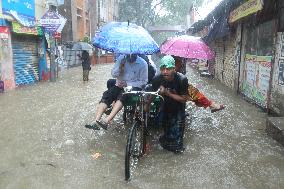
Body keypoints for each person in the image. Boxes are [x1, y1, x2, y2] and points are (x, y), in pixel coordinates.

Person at [85, 54, 148, 130]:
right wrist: (120, 68)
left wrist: (127, 84)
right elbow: (113, 74)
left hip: (133, 89)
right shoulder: (121, 59)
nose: (130, 57)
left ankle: (106, 121)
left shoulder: (143, 64)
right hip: (119, 86)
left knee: (123, 95)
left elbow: (144, 82)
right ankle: (96, 121)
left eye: (132, 55)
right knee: (107, 95)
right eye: (128, 55)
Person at [150, 55, 189, 153]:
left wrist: (167, 93)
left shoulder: (182, 79)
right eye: (162, 69)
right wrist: (146, 106)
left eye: (168, 69)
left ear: (174, 68)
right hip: (165, 107)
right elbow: (152, 95)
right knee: (166, 135)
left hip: (178, 108)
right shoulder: (157, 79)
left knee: (178, 144)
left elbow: (184, 99)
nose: (165, 72)